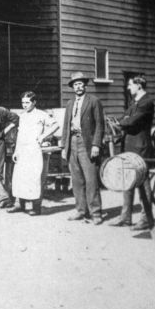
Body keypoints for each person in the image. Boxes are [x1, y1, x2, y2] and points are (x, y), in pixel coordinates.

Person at [110, 75, 155, 236]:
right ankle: (126, 216)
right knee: (127, 182)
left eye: (130, 85)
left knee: (143, 184)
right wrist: (123, 120)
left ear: (138, 85)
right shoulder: (134, 103)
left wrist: (122, 122)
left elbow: (130, 122)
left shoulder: (146, 102)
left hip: (140, 149)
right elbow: (125, 118)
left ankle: (145, 219)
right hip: (129, 148)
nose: (128, 88)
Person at [61, 71, 105, 224]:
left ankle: (96, 212)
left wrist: (96, 144)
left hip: (87, 144)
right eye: (75, 84)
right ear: (72, 87)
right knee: (77, 179)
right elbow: (66, 125)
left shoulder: (93, 101)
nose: (78, 87)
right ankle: (81, 210)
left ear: (85, 85)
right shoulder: (70, 103)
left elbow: (100, 124)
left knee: (91, 179)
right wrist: (63, 146)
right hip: (72, 142)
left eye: (80, 84)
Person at [8, 91, 59, 215]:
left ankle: (36, 208)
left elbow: (56, 125)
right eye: (23, 103)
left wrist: (43, 136)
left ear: (34, 102)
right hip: (23, 150)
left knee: (34, 178)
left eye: (27, 102)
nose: (24, 105)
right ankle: (21, 205)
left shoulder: (41, 115)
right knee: (20, 177)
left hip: (34, 149)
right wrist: (16, 151)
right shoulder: (22, 116)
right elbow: (19, 135)